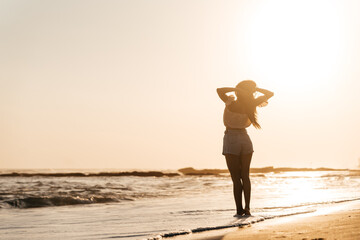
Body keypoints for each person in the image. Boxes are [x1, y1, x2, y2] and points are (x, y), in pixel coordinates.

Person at [217, 80, 274, 216]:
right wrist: (254, 89)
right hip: (245, 139)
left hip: (231, 138)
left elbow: (219, 90)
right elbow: (270, 93)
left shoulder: (231, 102)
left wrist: (238, 89)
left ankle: (239, 210)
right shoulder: (251, 104)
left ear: (238, 90)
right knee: (245, 176)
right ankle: (247, 208)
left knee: (236, 179)